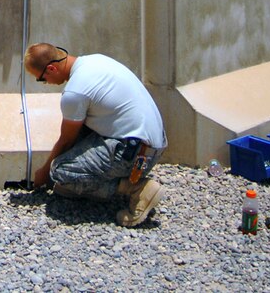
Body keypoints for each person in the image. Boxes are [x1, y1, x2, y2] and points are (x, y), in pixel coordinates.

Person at [24, 42, 168, 227]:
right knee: (80, 133)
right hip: (153, 145)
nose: (46, 83)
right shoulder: (96, 60)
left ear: (51, 69)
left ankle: (136, 189)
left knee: (61, 172)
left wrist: (45, 172)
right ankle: (94, 183)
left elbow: (66, 141)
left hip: (134, 155)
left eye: (42, 79)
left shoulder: (74, 92)